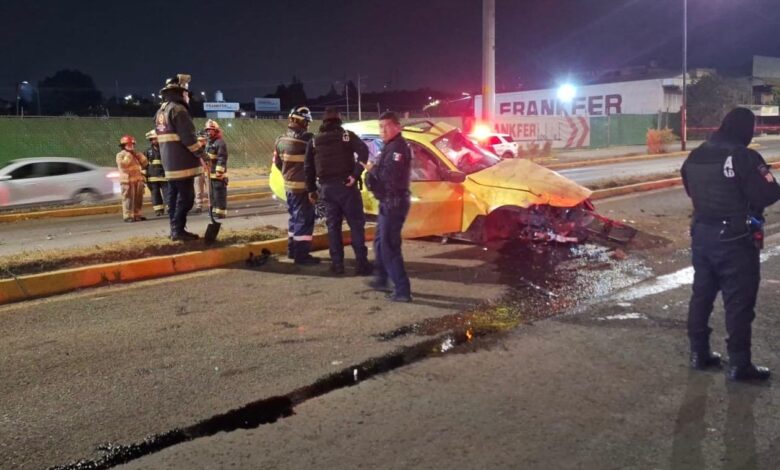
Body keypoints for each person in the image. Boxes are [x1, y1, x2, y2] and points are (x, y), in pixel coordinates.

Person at [681, 107, 780, 382]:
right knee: (739, 304)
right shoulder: (744, 156)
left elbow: (689, 187)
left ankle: (698, 354)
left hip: (702, 236)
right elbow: (770, 191)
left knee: (701, 296)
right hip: (736, 240)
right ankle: (739, 365)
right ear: (745, 129)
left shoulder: (697, 153)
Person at [304, 107, 371, 275]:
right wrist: (355, 175)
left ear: (324, 122)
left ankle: (337, 264)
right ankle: (361, 264)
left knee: (333, 227)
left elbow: (308, 168)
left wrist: (312, 190)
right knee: (356, 225)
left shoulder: (314, 141)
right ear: (338, 121)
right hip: (347, 187)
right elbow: (364, 151)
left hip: (327, 189)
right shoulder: (346, 135)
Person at [363, 112, 413, 302]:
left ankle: (402, 290)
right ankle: (381, 279)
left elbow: (389, 178)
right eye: (380, 126)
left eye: (386, 126)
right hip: (388, 202)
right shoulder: (389, 147)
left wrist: (372, 169)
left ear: (397, 127)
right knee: (379, 242)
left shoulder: (397, 149)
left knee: (389, 246)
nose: (382, 130)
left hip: (394, 203)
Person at [154, 73, 206, 241]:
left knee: (173, 197)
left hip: (169, 163)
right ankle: (178, 230)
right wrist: (202, 154)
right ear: (180, 92)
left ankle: (174, 229)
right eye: (186, 93)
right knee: (187, 198)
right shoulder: (179, 110)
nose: (187, 97)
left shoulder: (161, 111)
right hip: (182, 163)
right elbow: (189, 138)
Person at [274, 106, 320, 265]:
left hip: (289, 188)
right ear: (301, 122)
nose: (308, 125)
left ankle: (292, 250)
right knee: (304, 220)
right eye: (306, 121)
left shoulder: (280, 140)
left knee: (294, 219)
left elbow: (278, 164)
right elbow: (316, 164)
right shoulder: (308, 140)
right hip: (304, 189)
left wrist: (289, 176)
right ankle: (302, 256)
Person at [116, 134, 148, 223]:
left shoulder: (136, 154)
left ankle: (137, 215)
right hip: (127, 182)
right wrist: (128, 156)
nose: (131, 146)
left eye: (132, 144)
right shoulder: (120, 155)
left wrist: (141, 157)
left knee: (138, 199)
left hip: (138, 181)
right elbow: (123, 165)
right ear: (123, 146)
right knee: (128, 199)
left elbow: (145, 164)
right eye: (129, 144)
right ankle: (128, 216)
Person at [203, 119, 229, 219]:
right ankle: (214, 210)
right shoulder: (209, 143)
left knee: (219, 193)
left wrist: (219, 171)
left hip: (218, 174)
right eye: (207, 130)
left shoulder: (220, 143)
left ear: (216, 130)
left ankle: (221, 212)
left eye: (210, 130)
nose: (208, 132)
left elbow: (222, 157)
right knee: (212, 194)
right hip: (210, 173)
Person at [144, 130, 167, 217]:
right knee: (155, 194)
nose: (154, 141)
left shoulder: (165, 149)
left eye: (156, 139)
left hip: (164, 176)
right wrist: (144, 176)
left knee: (167, 193)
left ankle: (170, 208)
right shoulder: (147, 151)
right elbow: (144, 164)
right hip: (152, 177)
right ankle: (158, 210)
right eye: (152, 139)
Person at [193, 134, 210, 214]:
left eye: (203, 140)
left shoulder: (208, 149)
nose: (202, 142)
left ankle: (211, 205)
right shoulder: (194, 150)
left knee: (209, 190)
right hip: (198, 172)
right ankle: (199, 206)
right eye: (200, 141)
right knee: (198, 190)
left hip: (207, 171)